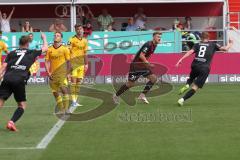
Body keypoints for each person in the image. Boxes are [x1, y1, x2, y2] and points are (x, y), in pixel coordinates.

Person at [0, 33, 47, 131]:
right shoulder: (32, 52)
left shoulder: (11, 53)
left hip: (7, 78)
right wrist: (44, 38)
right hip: (19, 79)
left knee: (1, 101)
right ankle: (11, 122)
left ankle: (11, 123)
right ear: (28, 44)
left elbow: (3, 67)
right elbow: (45, 48)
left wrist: (1, 75)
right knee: (22, 105)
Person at [176, 32, 233, 106]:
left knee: (191, 77)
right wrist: (230, 43)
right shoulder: (213, 44)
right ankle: (182, 99)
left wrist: (181, 59)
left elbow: (190, 52)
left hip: (195, 65)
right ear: (208, 38)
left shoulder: (197, 45)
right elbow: (225, 49)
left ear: (201, 38)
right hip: (204, 68)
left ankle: (187, 85)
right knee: (195, 87)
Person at [112, 32, 161, 104]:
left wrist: (145, 63)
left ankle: (142, 95)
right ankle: (116, 95)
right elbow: (141, 55)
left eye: (160, 37)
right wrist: (148, 64)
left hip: (143, 66)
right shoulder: (148, 44)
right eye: (158, 37)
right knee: (130, 84)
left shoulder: (154, 45)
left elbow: (142, 53)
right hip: (136, 66)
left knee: (153, 78)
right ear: (153, 37)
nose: (159, 38)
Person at [45, 32, 71, 114]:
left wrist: (68, 73)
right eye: (55, 35)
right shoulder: (49, 49)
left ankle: (66, 109)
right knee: (55, 92)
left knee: (64, 90)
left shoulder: (65, 49)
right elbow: (46, 61)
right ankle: (62, 109)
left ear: (61, 38)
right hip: (53, 74)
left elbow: (69, 62)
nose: (56, 37)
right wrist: (48, 72)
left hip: (62, 73)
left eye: (58, 35)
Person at [68, 24, 88, 107]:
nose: (79, 30)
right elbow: (68, 52)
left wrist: (86, 64)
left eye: (80, 29)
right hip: (74, 63)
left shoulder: (85, 40)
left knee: (79, 83)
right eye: (77, 29)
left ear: (82, 29)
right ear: (75, 30)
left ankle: (75, 101)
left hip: (81, 64)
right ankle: (73, 101)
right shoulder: (71, 39)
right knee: (73, 82)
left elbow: (85, 53)